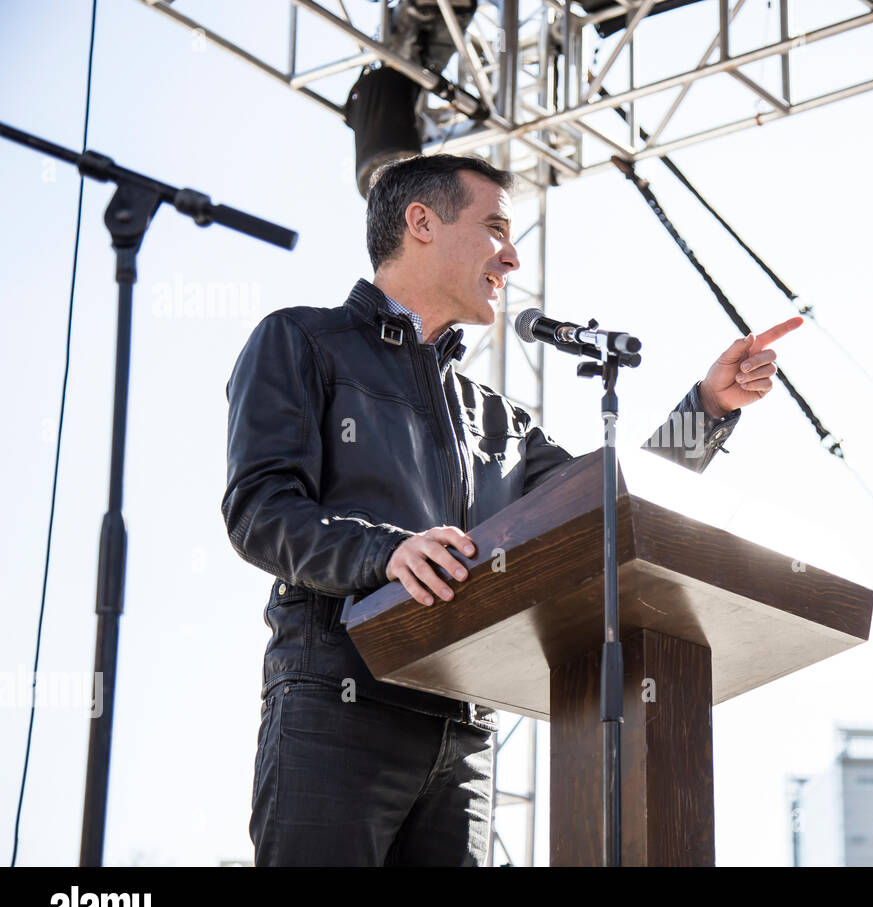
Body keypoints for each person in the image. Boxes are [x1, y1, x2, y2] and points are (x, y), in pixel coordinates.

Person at [222, 153, 800, 866]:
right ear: (421, 223)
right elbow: (262, 511)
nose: (512, 255)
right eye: (495, 227)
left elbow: (608, 509)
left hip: (463, 728)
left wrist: (708, 409)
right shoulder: (302, 342)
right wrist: (387, 553)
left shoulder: (499, 420)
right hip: (336, 707)